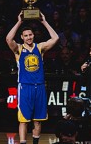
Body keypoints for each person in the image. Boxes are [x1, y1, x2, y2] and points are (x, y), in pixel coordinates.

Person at [6, 11, 59, 144]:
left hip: (39, 87)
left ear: (33, 35)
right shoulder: (18, 49)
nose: (29, 37)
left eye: (30, 35)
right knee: (23, 120)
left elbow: (55, 38)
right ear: (22, 37)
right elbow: (8, 39)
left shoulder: (40, 47)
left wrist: (44, 21)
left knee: (38, 120)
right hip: (25, 87)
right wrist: (19, 22)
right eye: (26, 36)